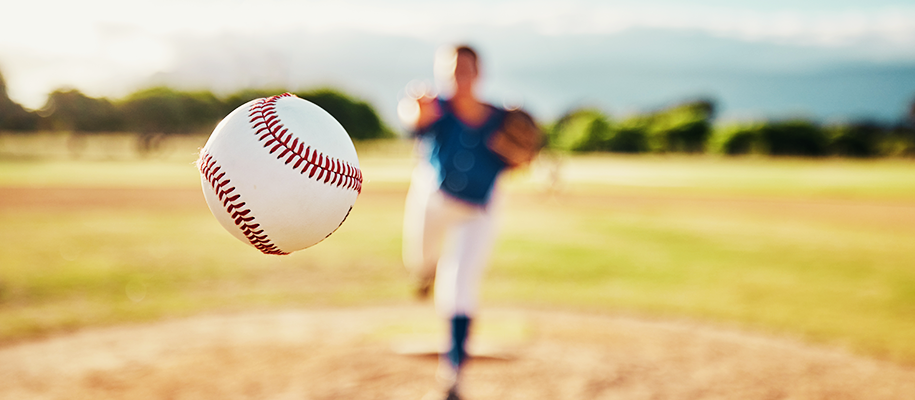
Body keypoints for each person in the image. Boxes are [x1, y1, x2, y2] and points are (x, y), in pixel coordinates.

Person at [399, 44, 514, 400]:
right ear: (441, 72)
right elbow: (412, 117)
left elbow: (520, 155)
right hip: (432, 201)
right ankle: (424, 272)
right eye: (450, 69)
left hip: (476, 210)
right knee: (419, 260)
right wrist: (415, 110)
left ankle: (453, 375)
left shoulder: (500, 118)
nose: (457, 76)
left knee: (460, 287)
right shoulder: (436, 109)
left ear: (478, 73)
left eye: (464, 68)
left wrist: (525, 153)